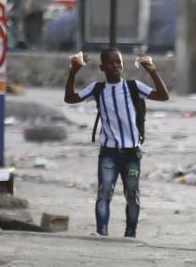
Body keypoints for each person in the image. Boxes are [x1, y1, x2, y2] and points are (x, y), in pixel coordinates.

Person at [64, 49, 169, 237]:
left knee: (132, 196)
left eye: (118, 62)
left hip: (131, 153)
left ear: (123, 65)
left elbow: (163, 95)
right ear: (102, 68)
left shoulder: (133, 86)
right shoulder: (97, 89)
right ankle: (101, 233)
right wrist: (73, 71)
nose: (115, 66)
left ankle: (130, 234)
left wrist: (152, 70)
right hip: (108, 153)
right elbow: (70, 98)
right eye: (110, 63)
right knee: (104, 194)